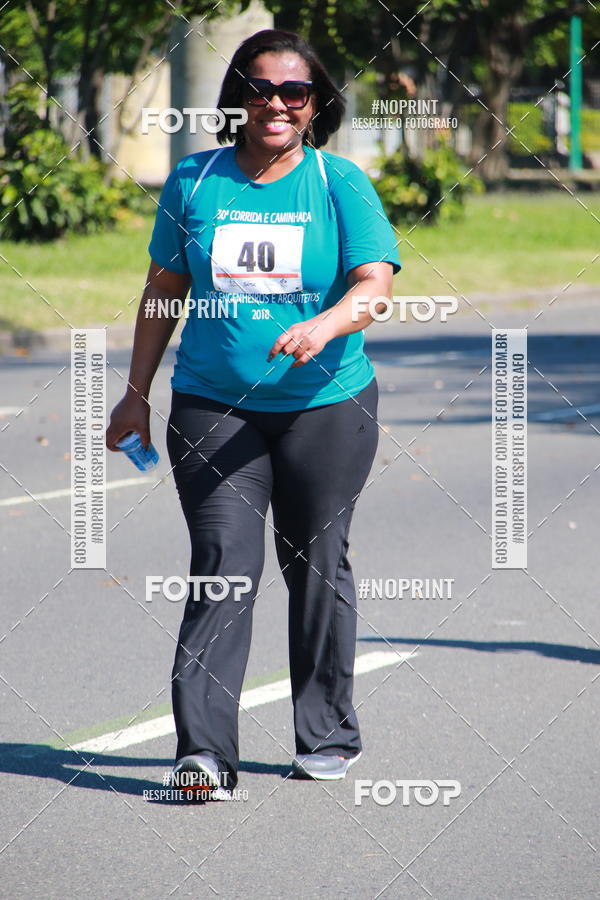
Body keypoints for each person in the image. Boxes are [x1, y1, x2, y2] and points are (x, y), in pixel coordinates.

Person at [106, 28, 400, 795]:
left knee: (315, 561)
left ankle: (326, 733)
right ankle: (203, 751)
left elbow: (373, 284)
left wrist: (323, 325)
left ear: (314, 105)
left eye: (293, 92)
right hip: (212, 406)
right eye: (261, 88)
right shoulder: (195, 182)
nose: (275, 103)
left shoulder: (340, 184)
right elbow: (165, 289)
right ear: (238, 95)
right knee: (222, 567)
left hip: (326, 405)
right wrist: (135, 394)